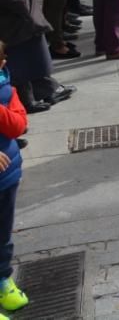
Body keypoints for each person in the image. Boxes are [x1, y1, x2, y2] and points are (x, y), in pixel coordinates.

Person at [0, 42, 30, 317]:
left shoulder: (7, 91)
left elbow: (18, 125)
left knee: (2, 235)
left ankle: (3, 281)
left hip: (7, 178)